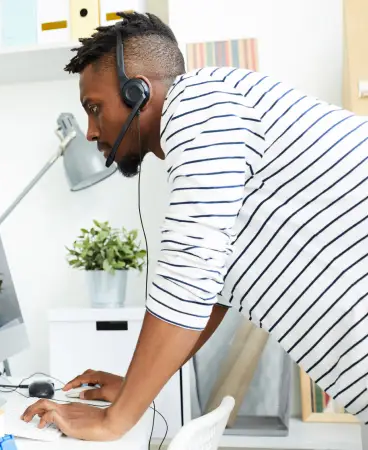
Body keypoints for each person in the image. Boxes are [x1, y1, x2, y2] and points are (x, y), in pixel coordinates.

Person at [21, 12, 368, 445]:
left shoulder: (200, 102)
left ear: (138, 91)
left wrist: (116, 419)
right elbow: (213, 289)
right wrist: (133, 387)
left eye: (94, 108)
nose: (90, 131)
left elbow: (190, 271)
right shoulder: (216, 132)